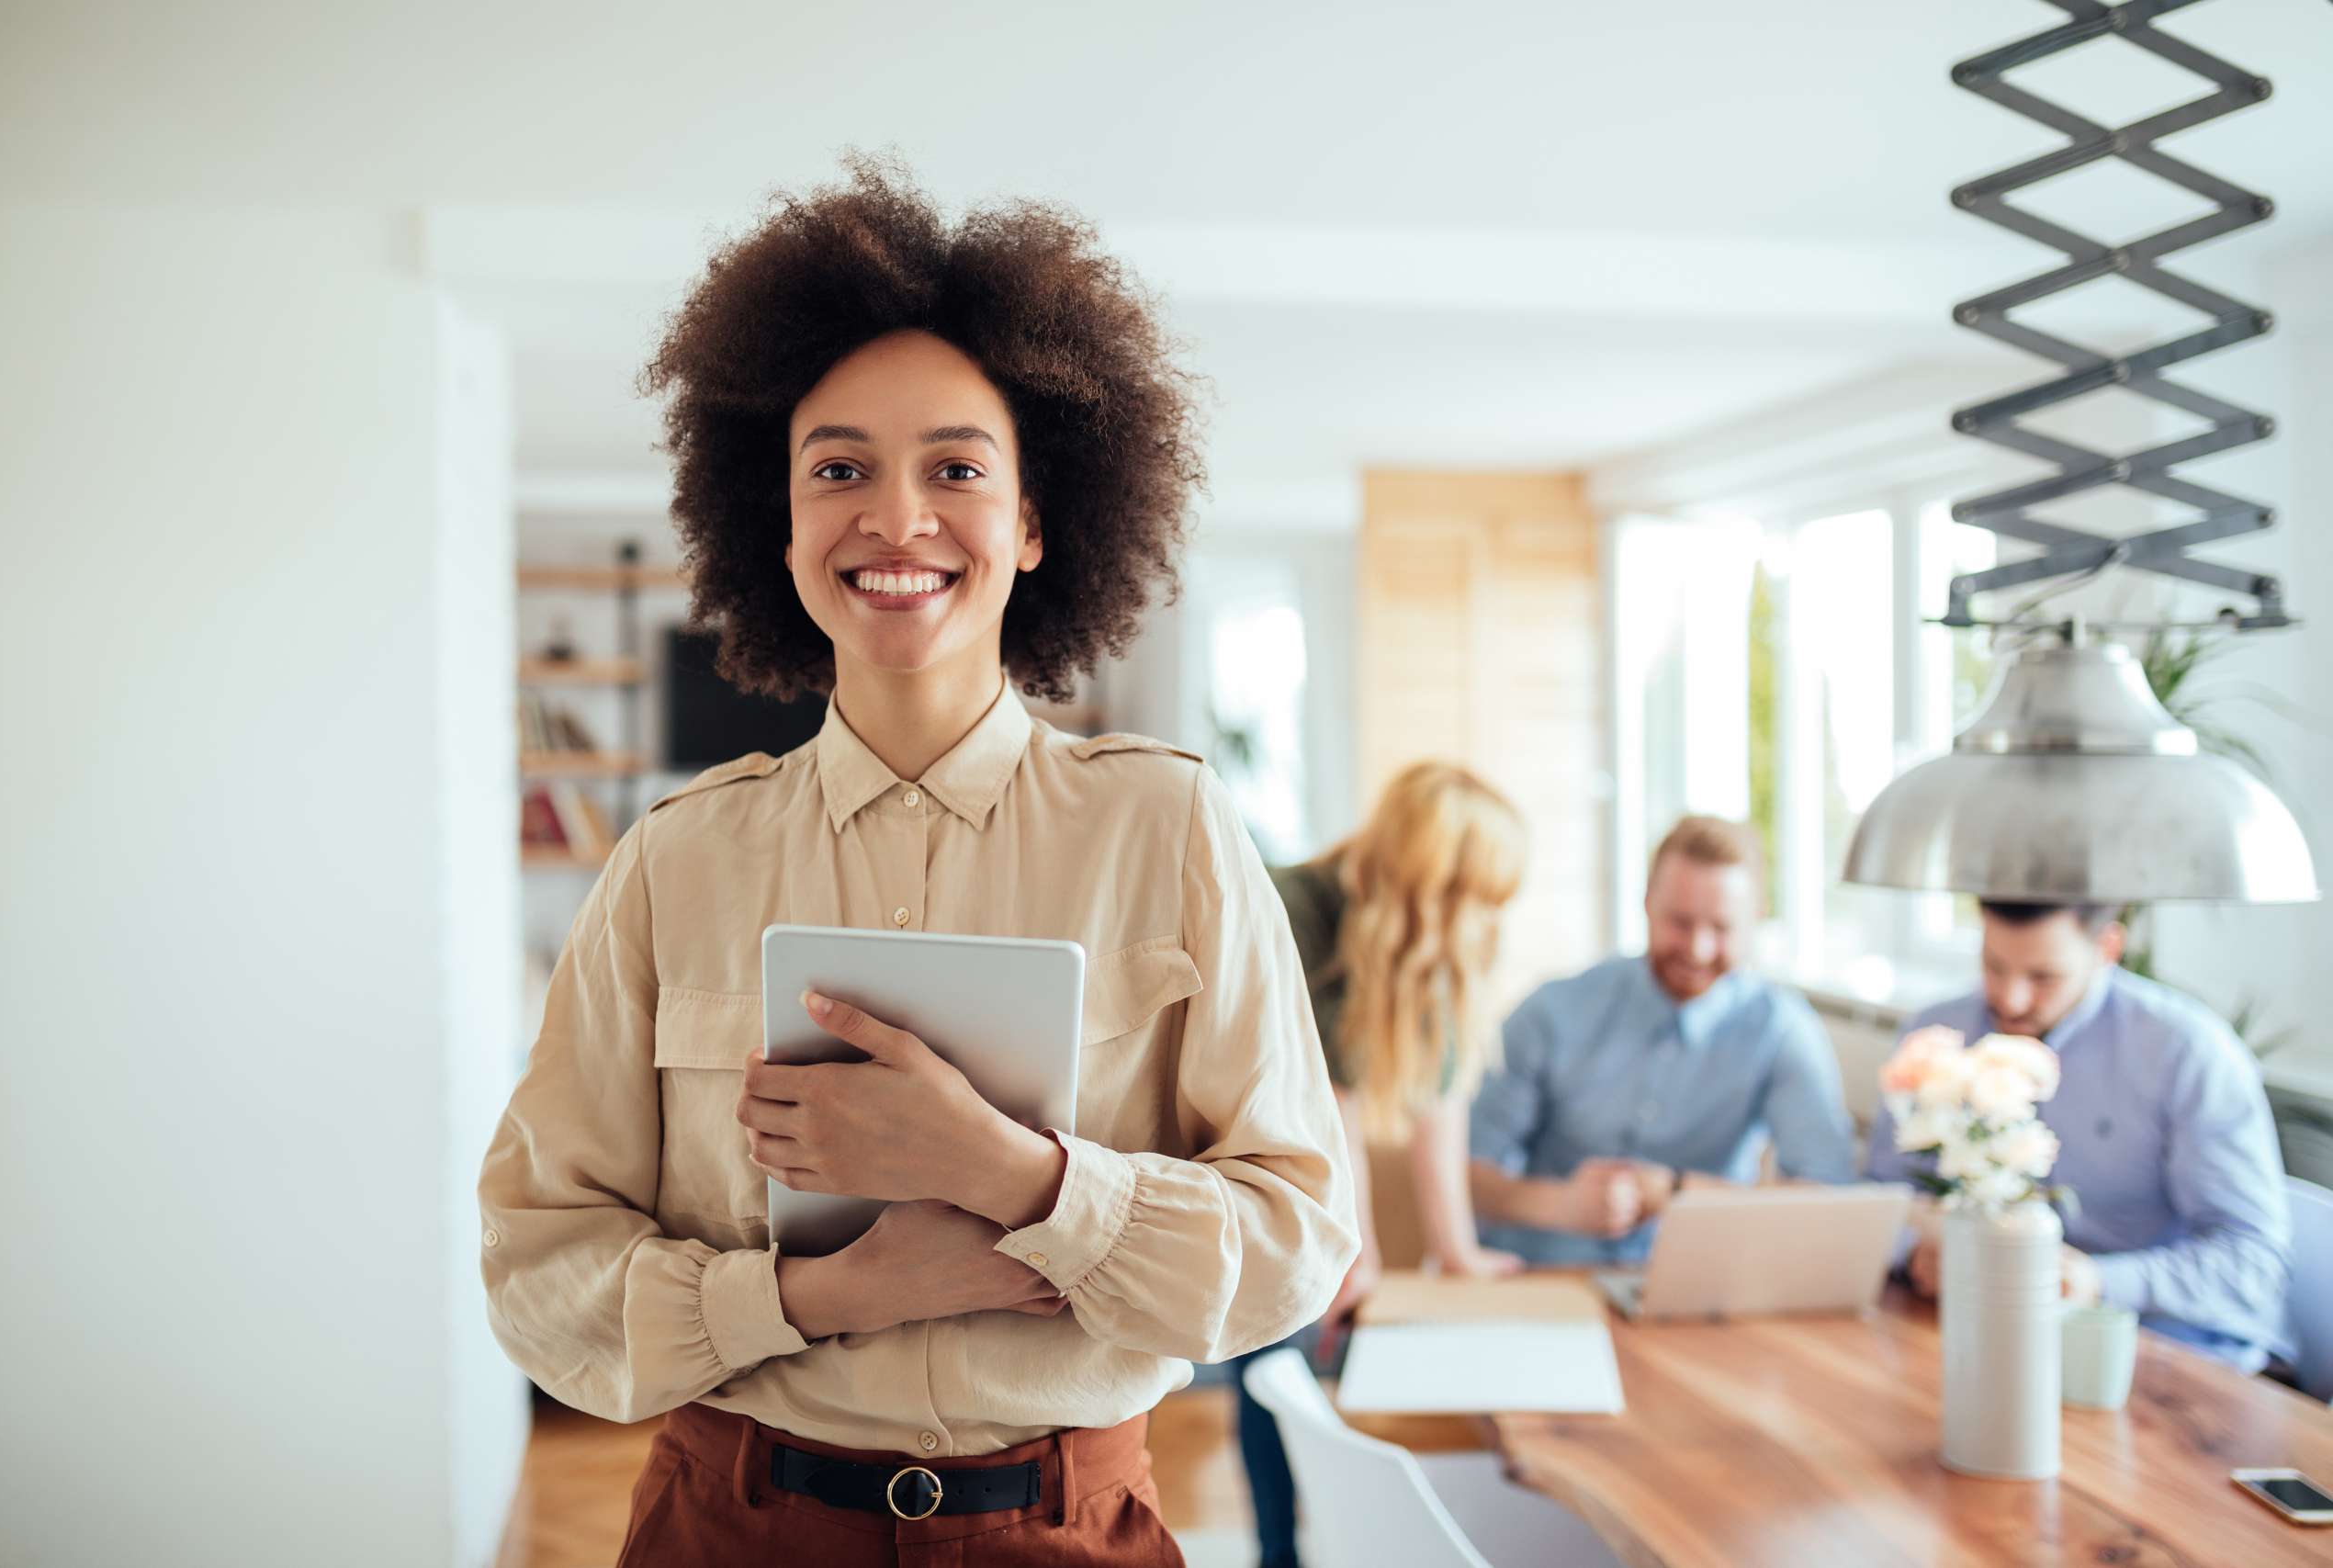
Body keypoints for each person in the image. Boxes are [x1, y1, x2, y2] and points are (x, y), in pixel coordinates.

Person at [477, 160, 1356, 1567]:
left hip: (1066, 1529)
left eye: (956, 467)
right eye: (839, 469)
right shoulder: (669, 864)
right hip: (732, 1527)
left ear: (1031, 523)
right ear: (778, 523)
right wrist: (820, 1294)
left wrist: (1021, 1175)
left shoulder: (1169, 832)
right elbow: (538, 1275)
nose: (896, 519)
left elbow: (1299, 1242)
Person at [1230, 761, 1529, 1568]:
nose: (1485, 922)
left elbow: (1441, 1092)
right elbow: (1324, 1103)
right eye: (1475, 899)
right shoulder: (1289, 906)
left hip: (1319, 1162)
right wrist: (1352, 1248)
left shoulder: (1434, 934)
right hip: (1259, 1166)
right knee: (1281, 1340)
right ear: (1428, 886)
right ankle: (1276, 1551)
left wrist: (1457, 1250)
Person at [1866, 900, 2294, 1372]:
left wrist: (2095, 1280)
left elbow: (2253, 1262)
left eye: (2044, 976)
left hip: (2160, 1349)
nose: (2011, 999)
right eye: (1993, 966)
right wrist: (1918, 1250)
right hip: (1984, 1334)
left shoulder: (2187, 1052)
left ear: (2107, 948)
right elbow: (1880, 1194)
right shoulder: (1937, 1035)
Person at [1468, 815, 1855, 1262]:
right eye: (1680, 922)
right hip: (1545, 1276)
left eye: (1721, 928)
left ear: (1757, 917)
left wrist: (1675, 1192)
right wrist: (1562, 1205)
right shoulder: (1552, 1012)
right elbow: (1467, 1176)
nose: (1698, 949)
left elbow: (1828, 1199)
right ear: (1647, 903)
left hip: (1695, 1284)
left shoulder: (1782, 1030)